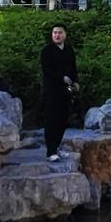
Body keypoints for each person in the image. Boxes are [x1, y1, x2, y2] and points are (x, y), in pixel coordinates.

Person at [40, 24, 79, 161]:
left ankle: (57, 147)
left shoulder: (69, 50)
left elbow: (74, 68)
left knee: (63, 120)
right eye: (55, 33)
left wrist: (75, 82)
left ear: (65, 34)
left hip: (66, 92)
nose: (57, 35)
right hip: (51, 91)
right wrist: (62, 78)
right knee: (52, 121)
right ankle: (50, 151)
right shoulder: (47, 51)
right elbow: (47, 70)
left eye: (60, 32)